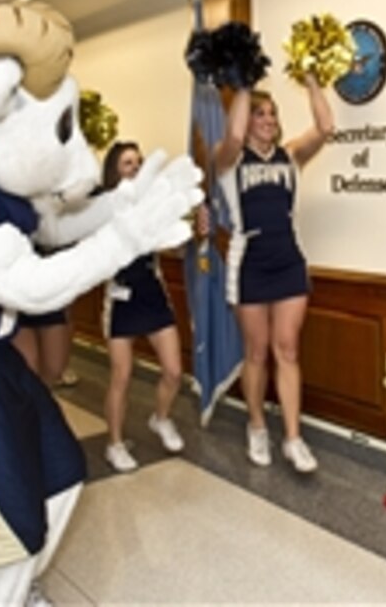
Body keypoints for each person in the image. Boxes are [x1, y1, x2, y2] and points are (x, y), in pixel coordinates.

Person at [214, 77, 335, 473]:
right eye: (258, 114)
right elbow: (232, 135)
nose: (267, 120)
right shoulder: (229, 160)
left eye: (272, 114)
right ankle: (257, 426)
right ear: (246, 120)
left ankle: (293, 438)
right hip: (248, 262)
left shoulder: (290, 156)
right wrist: (245, 82)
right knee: (256, 351)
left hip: (288, 261)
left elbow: (325, 128)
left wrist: (313, 79)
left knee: (288, 349)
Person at [100, 141, 187, 472]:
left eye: (138, 163)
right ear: (114, 170)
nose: (135, 169)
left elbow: (175, 251)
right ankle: (114, 444)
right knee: (122, 375)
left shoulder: (154, 206)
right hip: (121, 298)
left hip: (152, 291)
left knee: (174, 371)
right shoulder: (104, 208)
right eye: (127, 163)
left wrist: (190, 232)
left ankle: (160, 418)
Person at [13, 307, 79, 387]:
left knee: (54, 369)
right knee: (28, 369)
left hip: (50, 305)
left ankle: (40, 394)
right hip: (14, 308)